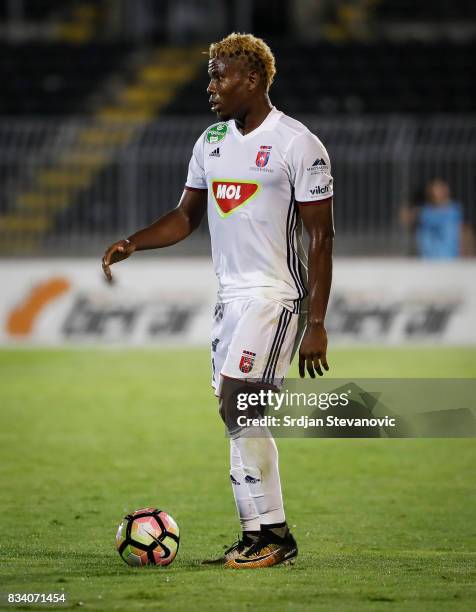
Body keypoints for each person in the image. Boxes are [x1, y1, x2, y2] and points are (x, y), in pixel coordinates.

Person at [102, 33, 334, 569]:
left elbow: (322, 237)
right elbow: (185, 216)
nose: (211, 85)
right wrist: (135, 241)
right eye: (210, 74)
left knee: (239, 400)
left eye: (219, 75)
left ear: (251, 80)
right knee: (234, 413)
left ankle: (277, 534)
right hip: (229, 299)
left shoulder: (298, 144)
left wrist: (317, 322)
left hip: (275, 296)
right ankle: (254, 536)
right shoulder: (210, 140)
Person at [400, 178, 473, 259]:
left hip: (450, 259)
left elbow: (465, 232)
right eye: (433, 190)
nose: (436, 193)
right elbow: (404, 218)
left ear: (446, 190)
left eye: (439, 189)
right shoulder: (424, 211)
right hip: (426, 260)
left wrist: (465, 254)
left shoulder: (455, 210)